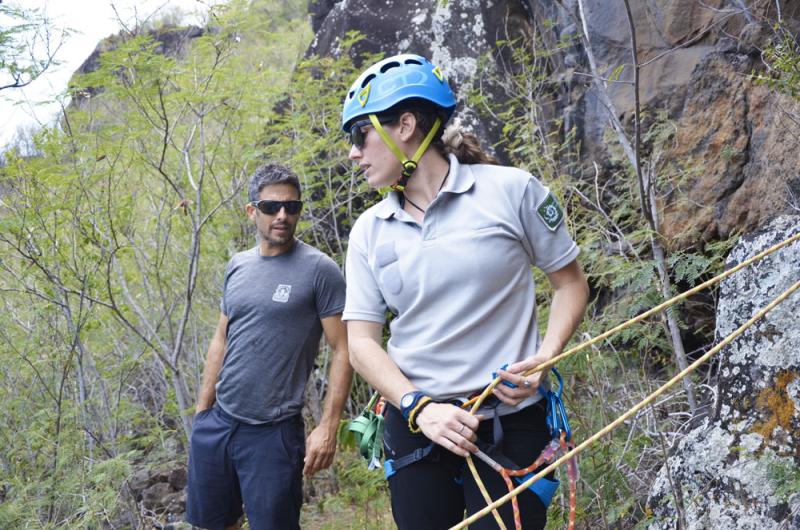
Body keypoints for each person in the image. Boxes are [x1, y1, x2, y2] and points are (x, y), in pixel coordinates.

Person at [341, 54, 589, 529]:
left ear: (406, 125)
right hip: (417, 426)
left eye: (360, 134)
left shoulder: (512, 191)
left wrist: (546, 354)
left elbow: (570, 283)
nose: (354, 152)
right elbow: (361, 342)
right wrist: (419, 408)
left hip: (511, 421)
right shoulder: (369, 231)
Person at [185, 163, 353, 530]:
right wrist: (202, 414)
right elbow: (222, 338)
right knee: (213, 524)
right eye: (271, 207)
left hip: (273, 433)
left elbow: (344, 349)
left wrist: (328, 426)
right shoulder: (238, 266)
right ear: (252, 211)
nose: (282, 215)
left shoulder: (319, 270)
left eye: (291, 207)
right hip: (219, 423)